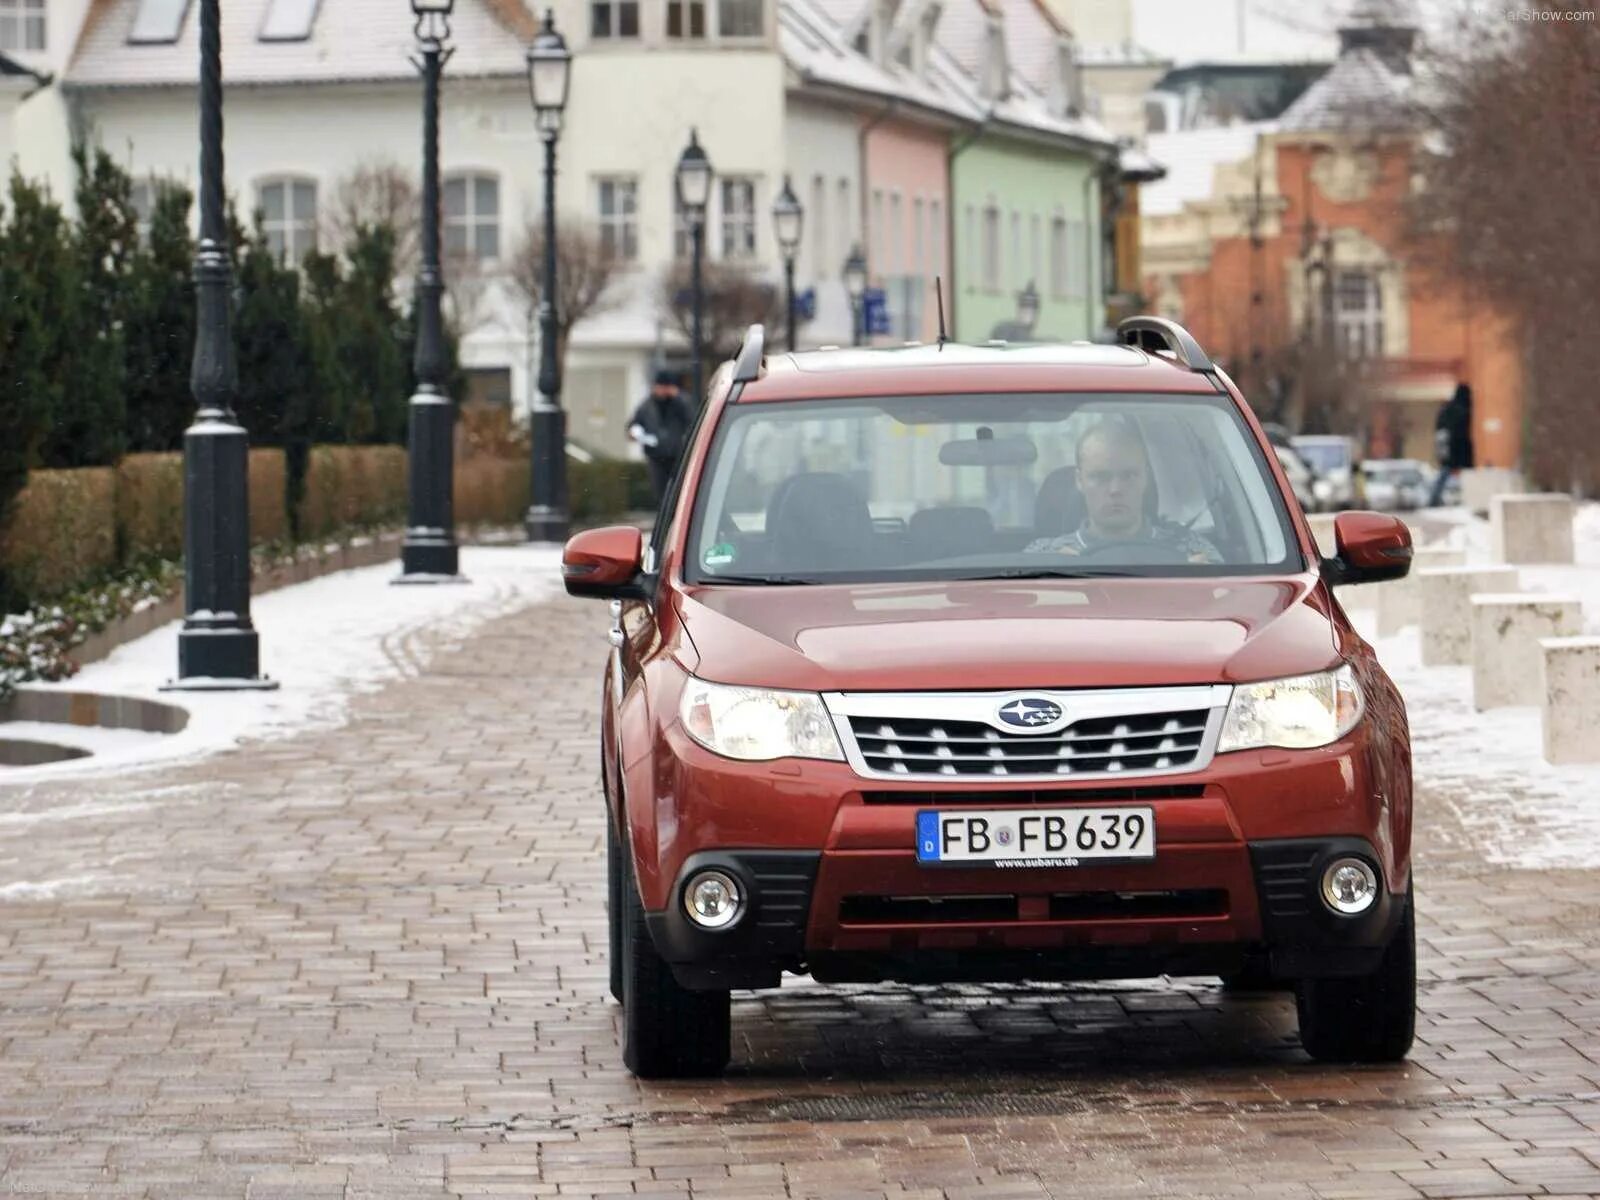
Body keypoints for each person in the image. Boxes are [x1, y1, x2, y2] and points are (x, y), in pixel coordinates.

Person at [1025, 418, 1223, 563]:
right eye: (1100, 477)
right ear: (1079, 480)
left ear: (1145, 477)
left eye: (1128, 476)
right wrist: (1055, 579)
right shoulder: (1044, 556)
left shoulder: (1192, 552)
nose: (1115, 489)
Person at [628, 370, 695, 505]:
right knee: (661, 495)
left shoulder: (680, 403)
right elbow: (633, 424)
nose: (662, 391)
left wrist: (678, 398)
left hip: (678, 456)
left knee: (679, 492)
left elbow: (691, 419)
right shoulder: (646, 406)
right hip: (656, 457)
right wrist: (634, 432)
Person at [1427, 382, 1474, 507]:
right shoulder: (1462, 409)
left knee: (1445, 474)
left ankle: (1435, 498)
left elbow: (1440, 428)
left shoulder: (1447, 408)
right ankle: (1443, 499)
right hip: (1456, 448)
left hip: (1446, 447)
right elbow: (1462, 432)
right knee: (1453, 474)